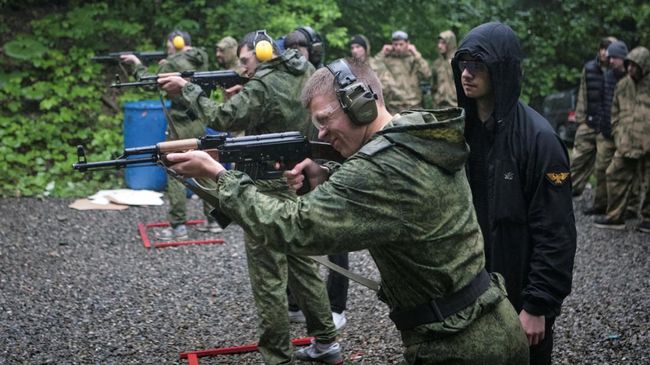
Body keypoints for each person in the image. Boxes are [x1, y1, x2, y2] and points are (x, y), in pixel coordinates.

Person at [165, 58, 529, 364]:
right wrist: (327, 173)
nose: (320, 134)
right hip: (491, 320)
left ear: (361, 103)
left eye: (325, 120)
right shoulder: (414, 133)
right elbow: (390, 190)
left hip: (458, 346)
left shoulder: (378, 169)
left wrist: (220, 176)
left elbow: (294, 228)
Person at [158, 31, 341, 365]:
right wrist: (248, 91)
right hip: (293, 178)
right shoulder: (301, 70)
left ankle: (277, 357)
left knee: (268, 276)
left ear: (263, 53)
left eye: (245, 61)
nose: (243, 67)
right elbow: (274, 106)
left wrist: (188, 89)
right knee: (301, 264)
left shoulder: (262, 84)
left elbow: (220, 119)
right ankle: (327, 341)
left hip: (264, 185)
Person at [451, 22, 577, 365]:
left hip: (522, 294)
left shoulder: (540, 140)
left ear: (501, 70)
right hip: (471, 292)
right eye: (463, 64)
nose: (467, 73)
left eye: (478, 65)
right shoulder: (459, 134)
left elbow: (556, 231)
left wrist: (538, 305)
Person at [120, 30, 220, 239]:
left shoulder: (171, 63)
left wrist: (136, 63)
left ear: (175, 43)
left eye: (168, 45)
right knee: (205, 167)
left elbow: (148, 82)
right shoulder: (201, 58)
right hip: (200, 121)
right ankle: (214, 221)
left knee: (175, 170)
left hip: (180, 125)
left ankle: (178, 226)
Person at [285, 25, 350, 331]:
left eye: (301, 47)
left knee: (335, 236)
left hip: (327, 156)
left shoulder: (324, 79)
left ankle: (336, 305)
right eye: (291, 47)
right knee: (297, 226)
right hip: (301, 159)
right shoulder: (284, 77)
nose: (296, 52)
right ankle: (295, 301)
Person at [595, 46, 650, 232]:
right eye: (628, 65)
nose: (630, 69)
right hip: (626, 142)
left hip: (648, 143)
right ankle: (615, 216)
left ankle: (647, 218)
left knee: (648, 182)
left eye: (635, 66)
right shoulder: (623, 85)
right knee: (614, 174)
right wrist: (618, 132)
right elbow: (615, 111)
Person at [572, 38, 626, 217]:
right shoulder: (589, 68)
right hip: (589, 122)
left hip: (609, 125)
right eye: (602, 48)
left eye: (608, 49)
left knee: (604, 167)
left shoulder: (619, 71)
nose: (604, 52)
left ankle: (605, 203)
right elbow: (583, 94)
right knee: (577, 160)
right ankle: (565, 190)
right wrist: (581, 120)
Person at [374, 30, 431, 114]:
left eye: (401, 44)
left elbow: (427, 74)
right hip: (394, 107)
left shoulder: (414, 59)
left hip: (414, 106)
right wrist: (381, 54)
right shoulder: (387, 59)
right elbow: (373, 69)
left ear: (408, 44)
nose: (398, 47)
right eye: (395, 44)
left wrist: (416, 54)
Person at [431, 30, 458, 107]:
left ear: (450, 43)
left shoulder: (458, 61)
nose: (439, 46)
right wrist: (436, 99)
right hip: (440, 105)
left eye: (443, 43)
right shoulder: (437, 63)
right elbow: (433, 86)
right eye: (439, 43)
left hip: (456, 105)